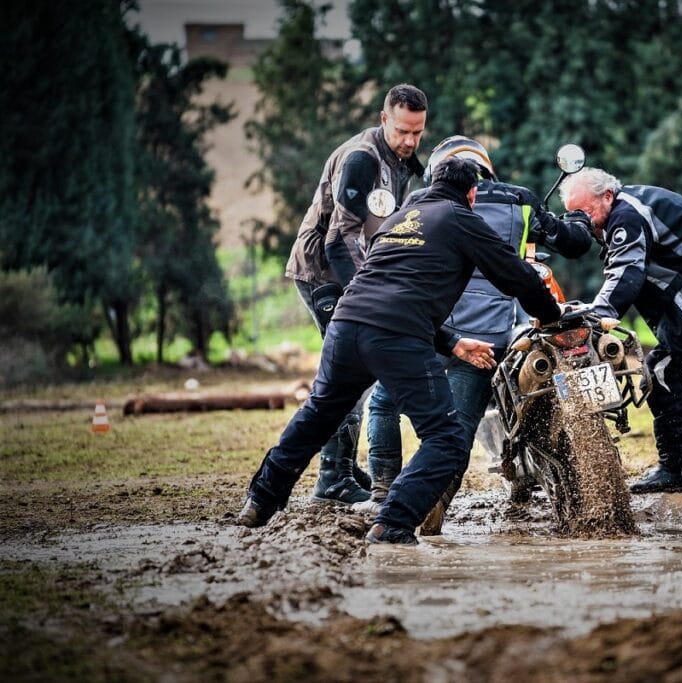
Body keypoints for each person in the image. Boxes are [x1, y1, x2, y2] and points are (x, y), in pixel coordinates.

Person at [238, 157, 563, 544]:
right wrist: (552, 317)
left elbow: (390, 288)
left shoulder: (400, 219)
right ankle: (392, 522)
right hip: (395, 335)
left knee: (318, 415)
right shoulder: (460, 216)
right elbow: (516, 275)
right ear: (471, 193)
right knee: (446, 439)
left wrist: (452, 342)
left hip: (345, 326)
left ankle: (260, 499)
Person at [359, 136, 593, 534]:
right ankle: (432, 507)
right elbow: (571, 243)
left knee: (383, 403)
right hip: (486, 334)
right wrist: (581, 220)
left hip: (425, 325)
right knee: (457, 430)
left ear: (438, 171)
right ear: (483, 169)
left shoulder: (419, 202)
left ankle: (383, 492)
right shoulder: (519, 199)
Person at [283, 84, 428, 505]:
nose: (410, 141)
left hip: (355, 269)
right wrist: (370, 293)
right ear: (384, 119)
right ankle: (332, 478)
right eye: (402, 131)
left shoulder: (401, 159)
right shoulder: (362, 160)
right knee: (349, 369)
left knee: (357, 372)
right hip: (324, 272)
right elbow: (338, 239)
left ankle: (342, 467)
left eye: (418, 132)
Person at [560, 168, 682, 493]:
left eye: (585, 212)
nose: (582, 221)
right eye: (574, 214)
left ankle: (677, 468)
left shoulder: (626, 215)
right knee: (674, 371)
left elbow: (626, 271)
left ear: (607, 197)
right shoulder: (627, 206)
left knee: (661, 369)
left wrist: (595, 317)